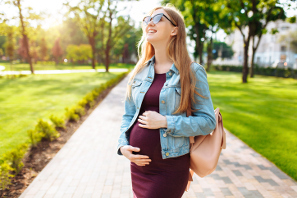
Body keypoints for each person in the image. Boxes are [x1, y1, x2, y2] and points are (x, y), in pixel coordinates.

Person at [116, 4, 216, 198]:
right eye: (147, 19)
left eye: (158, 18)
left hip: (169, 168)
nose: (150, 23)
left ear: (174, 30)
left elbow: (208, 121)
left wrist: (165, 122)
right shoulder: (139, 71)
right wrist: (122, 146)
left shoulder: (191, 72)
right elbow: (128, 115)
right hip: (138, 168)